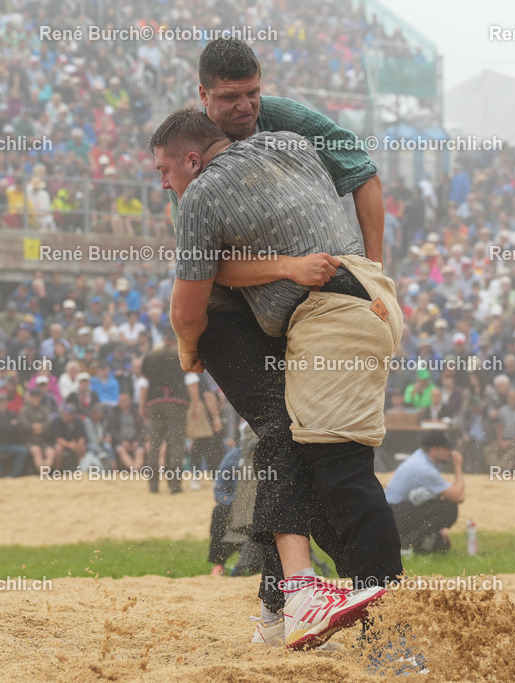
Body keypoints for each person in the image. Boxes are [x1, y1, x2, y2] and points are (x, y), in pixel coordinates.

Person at [155, 107, 399, 650]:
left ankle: (386, 635)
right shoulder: (289, 142)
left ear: (192, 160)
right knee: (296, 449)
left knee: (339, 474)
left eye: (164, 172)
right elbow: (362, 175)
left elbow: (188, 306)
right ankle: (285, 604)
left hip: (334, 313)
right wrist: (292, 266)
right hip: (358, 303)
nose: (163, 184)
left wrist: (187, 346)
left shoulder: (201, 195)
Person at [385, 431, 464, 555]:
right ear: (434, 450)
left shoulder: (424, 458)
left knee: (442, 546)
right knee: (450, 509)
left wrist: (438, 528)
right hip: (394, 514)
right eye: (447, 448)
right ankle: (406, 545)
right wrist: (458, 466)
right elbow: (458, 496)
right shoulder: (423, 467)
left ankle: (409, 543)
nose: (451, 452)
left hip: (397, 511)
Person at [139, 330, 195, 493]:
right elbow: (191, 381)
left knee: (154, 445)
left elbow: (143, 384)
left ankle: (153, 485)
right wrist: (195, 404)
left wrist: (142, 405)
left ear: (164, 339)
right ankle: (175, 486)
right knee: (177, 444)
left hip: (154, 403)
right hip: (176, 404)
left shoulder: (150, 356)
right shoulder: (181, 355)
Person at [208, 442, 245, 576]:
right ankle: (218, 563)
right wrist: (233, 504)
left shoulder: (270, 455)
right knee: (219, 511)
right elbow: (219, 491)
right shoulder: (234, 456)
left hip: (260, 509)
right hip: (234, 507)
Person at [0, 392, 29, 477]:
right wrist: (9, 426)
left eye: (3, 401)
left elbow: (17, 428)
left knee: (22, 451)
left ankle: (13, 475)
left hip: (10, 443)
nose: (1, 404)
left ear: (7, 403)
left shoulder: (12, 414)